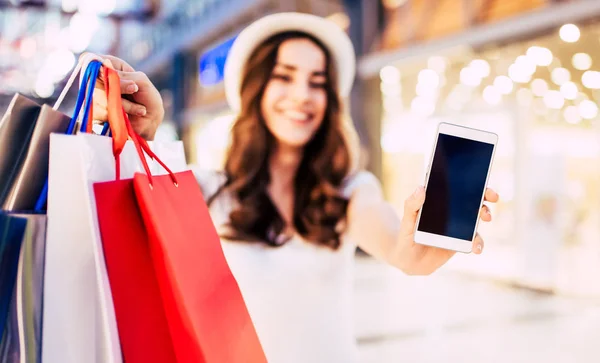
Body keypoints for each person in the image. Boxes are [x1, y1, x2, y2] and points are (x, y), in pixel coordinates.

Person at [91, 12, 499, 363]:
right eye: (284, 77)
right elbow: (128, 212)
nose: (302, 95)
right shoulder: (210, 189)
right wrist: (142, 133)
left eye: (317, 81)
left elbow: (402, 251)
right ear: (256, 89)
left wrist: (423, 244)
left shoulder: (351, 191)